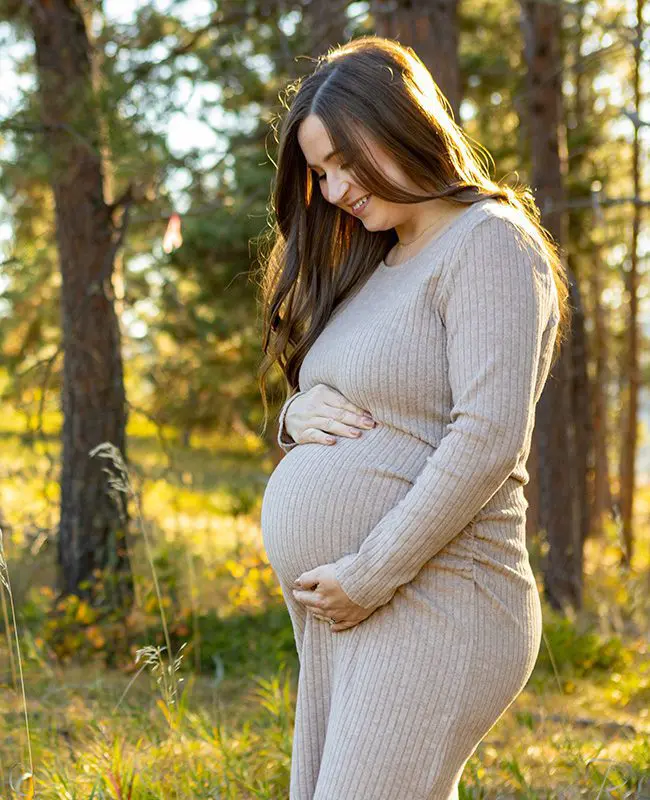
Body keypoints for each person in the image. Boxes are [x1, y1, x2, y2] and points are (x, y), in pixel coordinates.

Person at [258, 35, 571, 800]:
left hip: (439, 594)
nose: (333, 191)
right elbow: (352, 391)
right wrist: (297, 416)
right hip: (353, 611)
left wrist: (369, 574)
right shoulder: (377, 258)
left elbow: (490, 434)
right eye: (320, 174)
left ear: (397, 124)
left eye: (342, 163)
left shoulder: (488, 242)